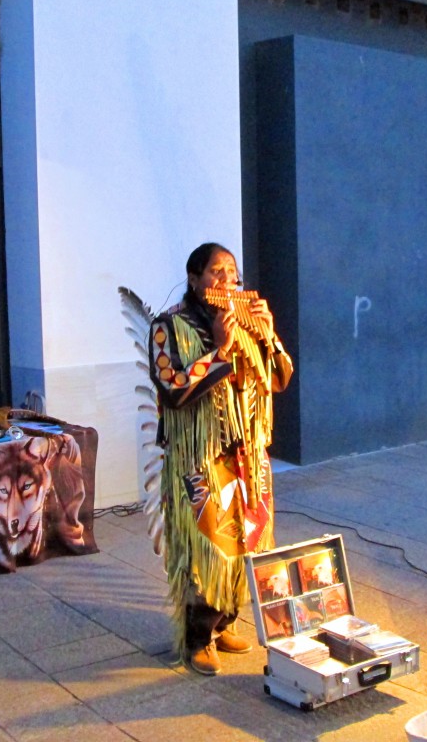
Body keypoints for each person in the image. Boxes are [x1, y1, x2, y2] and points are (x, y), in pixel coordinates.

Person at [148, 242, 293, 675]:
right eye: (216, 272)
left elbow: (281, 378)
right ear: (194, 279)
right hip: (201, 456)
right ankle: (197, 638)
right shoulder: (167, 326)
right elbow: (172, 390)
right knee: (208, 547)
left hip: (247, 452)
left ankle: (225, 620)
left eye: (232, 272)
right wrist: (222, 348)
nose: (227, 280)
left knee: (249, 542)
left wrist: (266, 336)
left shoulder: (248, 320)